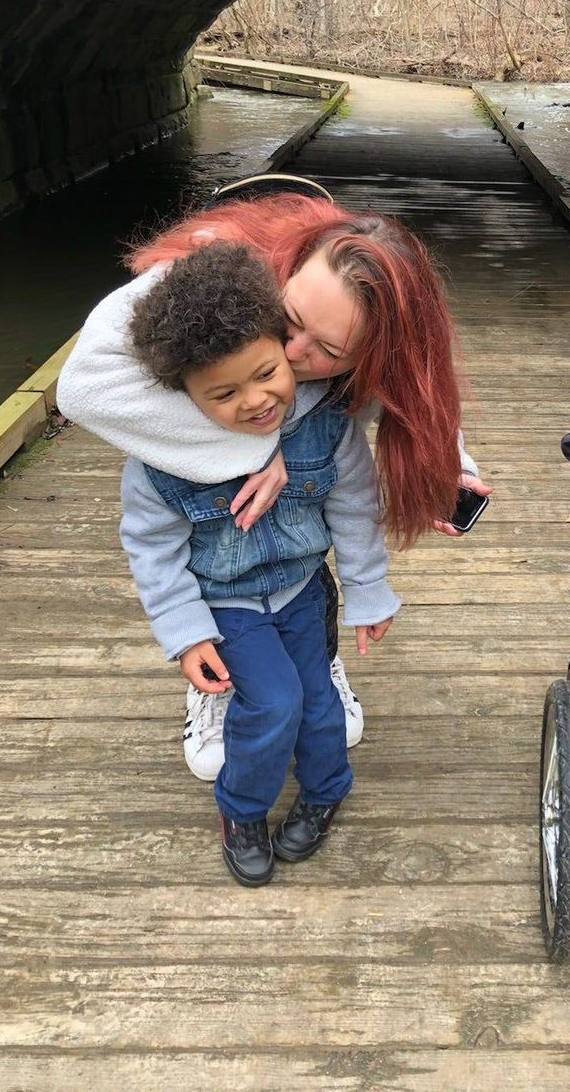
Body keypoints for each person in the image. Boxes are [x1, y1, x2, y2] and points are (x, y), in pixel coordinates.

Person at [56, 178, 491, 777]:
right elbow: (81, 389)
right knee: (212, 549)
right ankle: (217, 682)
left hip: (299, 522)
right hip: (203, 475)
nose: (291, 354)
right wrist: (256, 441)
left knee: (307, 572)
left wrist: (450, 463)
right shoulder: (211, 269)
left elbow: (415, 390)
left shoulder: (366, 354)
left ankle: (313, 655)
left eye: (328, 350)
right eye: (289, 321)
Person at [119, 242, 400, 886]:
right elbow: (152, 548)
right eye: (223, 392)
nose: (255, 401)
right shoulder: (159, 461)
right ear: (181, 397)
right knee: (274, 704)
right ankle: (242, 812)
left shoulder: (327, 421)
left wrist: (367, 589)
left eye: (267, 372)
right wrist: (185, 632)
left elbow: (356, 505)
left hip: (303, 587)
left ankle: (326, 790)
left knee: (319, 704)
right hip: (227, 604)